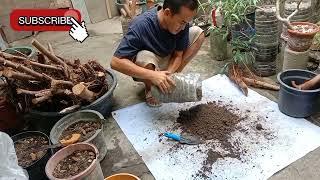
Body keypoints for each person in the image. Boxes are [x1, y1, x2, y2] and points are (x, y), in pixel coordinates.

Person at [111, 0, 205, 107]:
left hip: (167, 56)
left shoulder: (183, 22)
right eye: (182, 22)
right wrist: (152, 75)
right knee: (144, 56)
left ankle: (170, 79)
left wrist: (168, 74)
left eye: (186, 23)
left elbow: (178, 55)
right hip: (149, 65)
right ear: (167, 13)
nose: (183, 27)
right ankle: (150, 87)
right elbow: (115, 62)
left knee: (198, 33)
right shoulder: (141, 25)